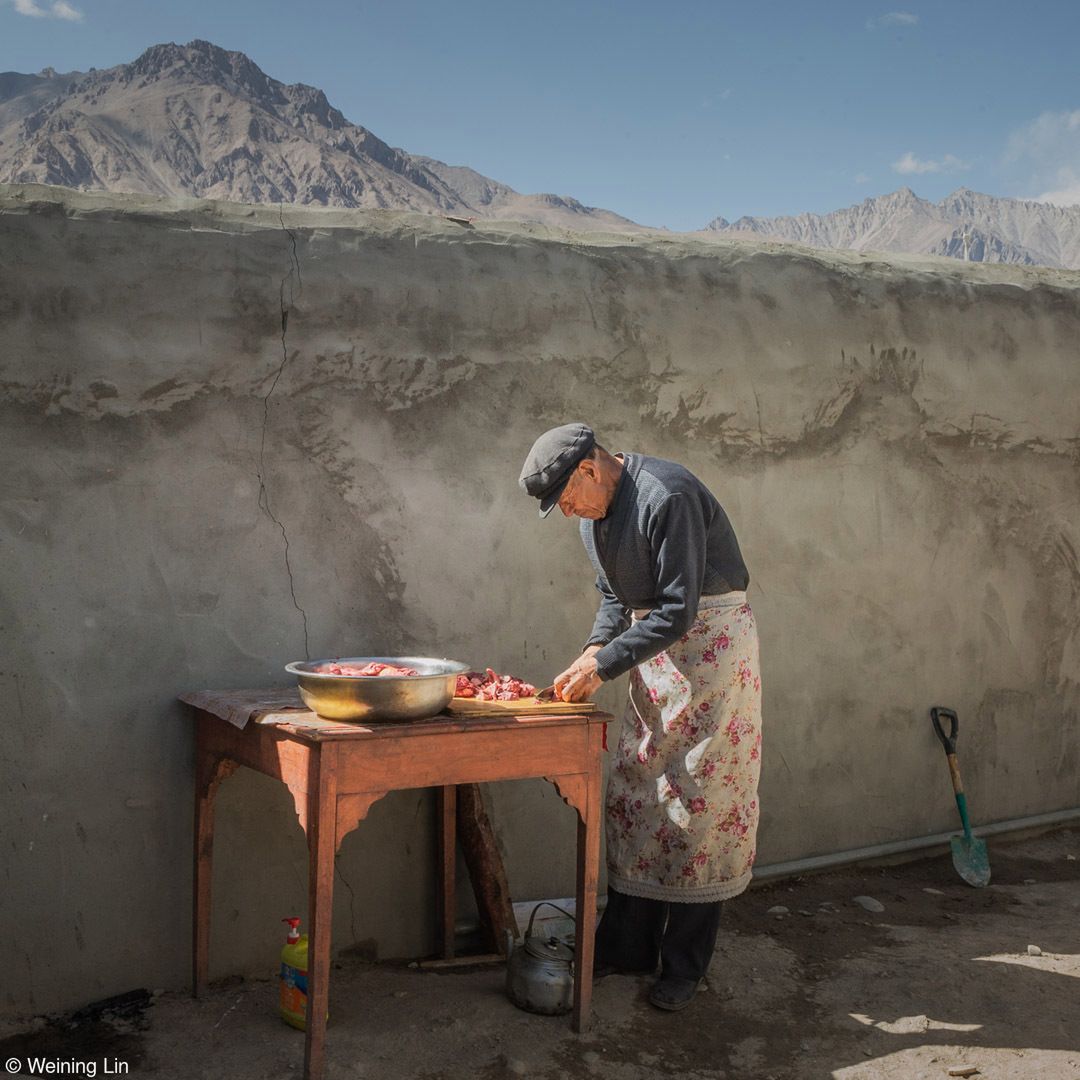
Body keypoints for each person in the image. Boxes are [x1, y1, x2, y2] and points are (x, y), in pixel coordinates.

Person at [518, 422, 762, 1011]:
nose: (569, 510)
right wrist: (590, 650)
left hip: (711, 649)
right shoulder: (592, 521)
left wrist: (603, 666)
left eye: (568, 496)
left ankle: (684, 966)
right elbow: (614, 597)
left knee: (698, 803)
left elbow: (679, 610)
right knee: (638, 792)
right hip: (651, 651)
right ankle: (628, 948)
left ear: (590, 469)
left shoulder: (667, 495)